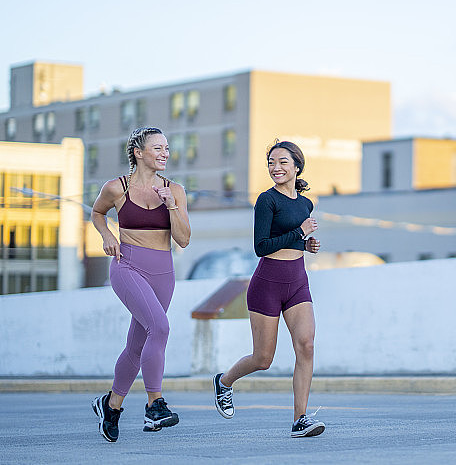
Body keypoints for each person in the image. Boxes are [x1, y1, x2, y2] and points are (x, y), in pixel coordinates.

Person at [213, 140, 325, 438]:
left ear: (297, 166)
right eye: (271, 163)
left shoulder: (305, 203)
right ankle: (224, 382)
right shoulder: (267, 200)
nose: (276, 168)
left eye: (282, 162)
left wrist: (307, 244)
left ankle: (300, 419)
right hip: (267, 283)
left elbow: (293, 241)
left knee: (307, 345)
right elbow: (261, 247)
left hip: (298, 280)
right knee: (263, 359)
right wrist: (300, 233)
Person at [90, 127, 191, 442]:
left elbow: (184, 240)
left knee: (137, 345)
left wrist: (170, 205)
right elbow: (96, 213)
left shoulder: (175, 189)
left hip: (164, 272)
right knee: (159, 328)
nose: (165, 153)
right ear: (138, 152)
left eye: (166, 148)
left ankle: (112, 405)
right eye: (158, 148)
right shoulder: (116, 188)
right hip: (128, 266)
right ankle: (154, 403)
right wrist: (108, 235)